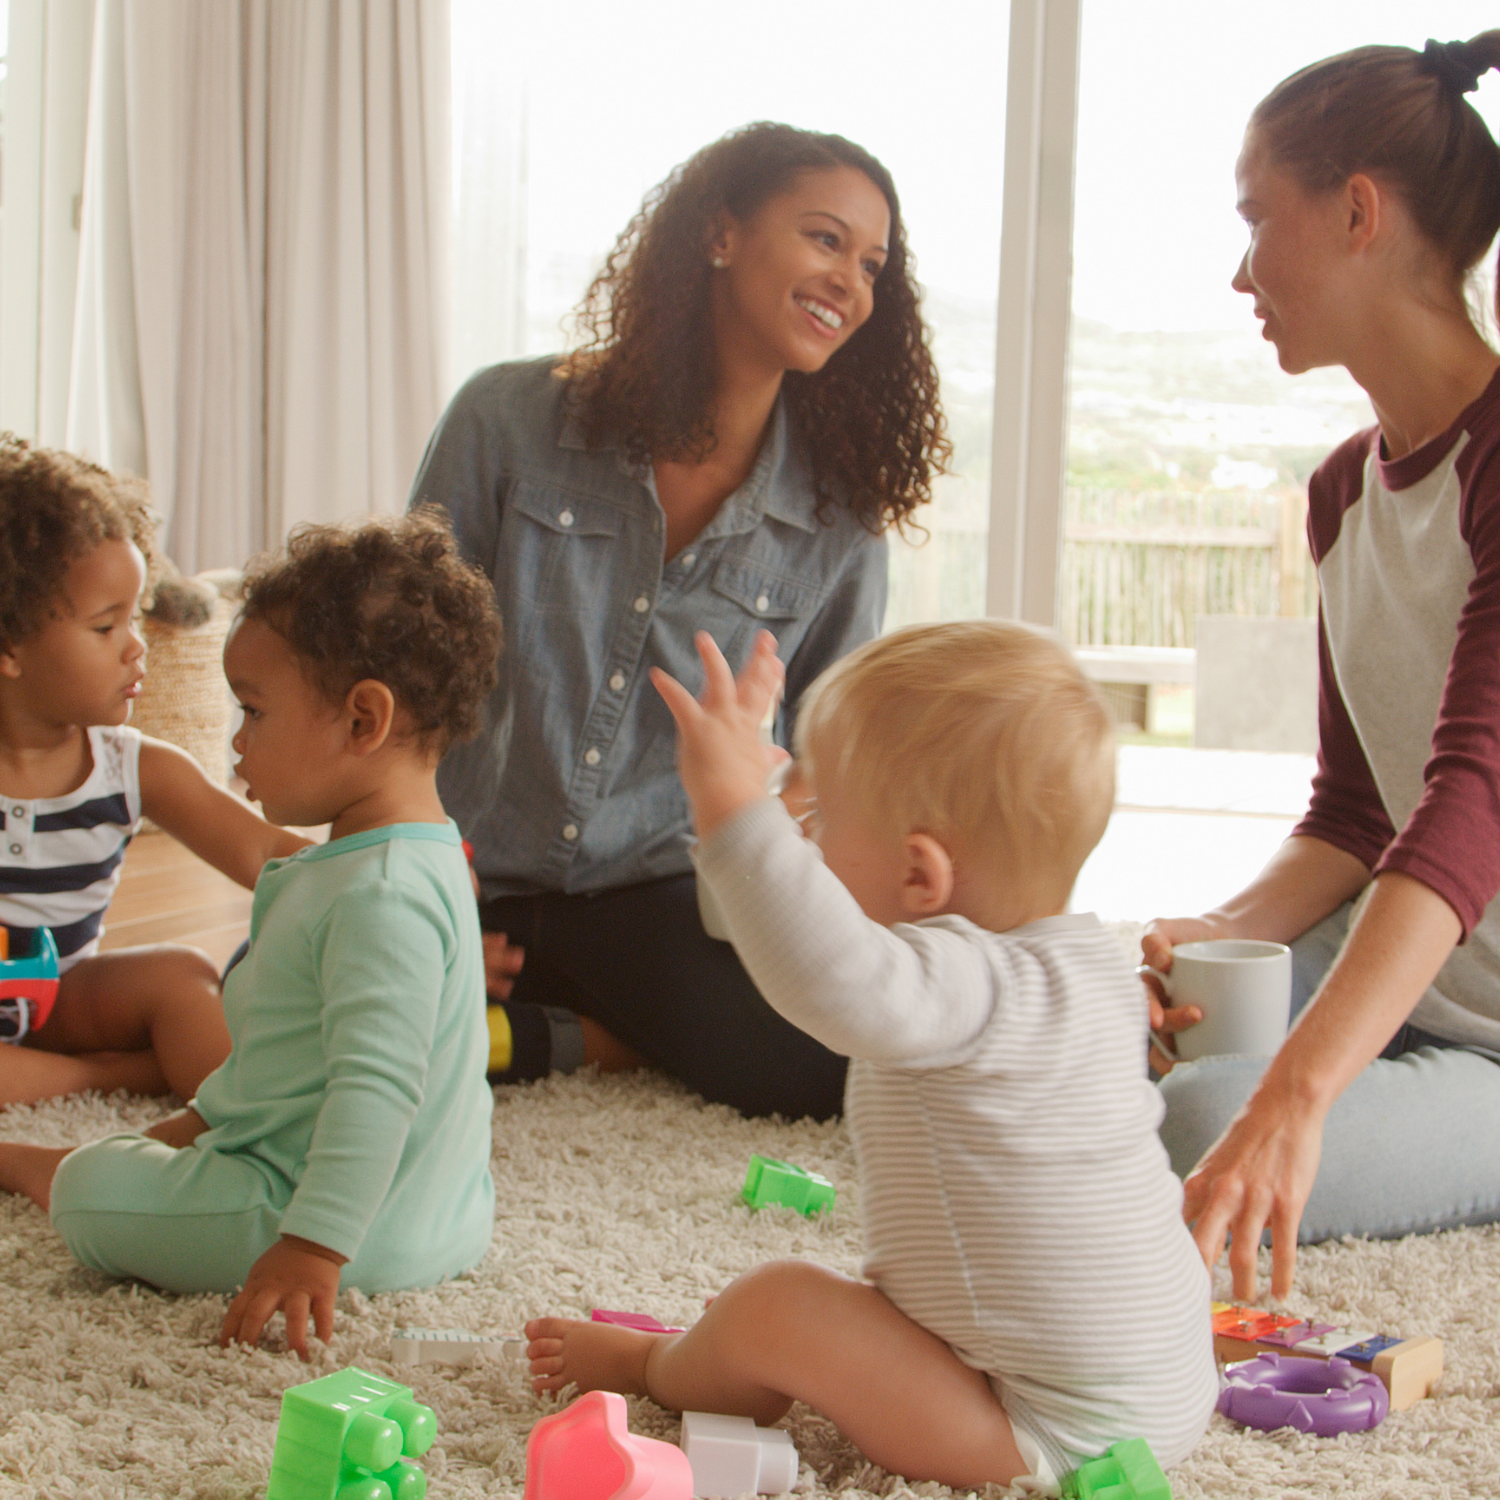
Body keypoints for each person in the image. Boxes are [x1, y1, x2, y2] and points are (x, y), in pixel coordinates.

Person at [526, 622, 1217, 1487]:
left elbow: (827, 971)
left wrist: (734, 811)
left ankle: (654, 1365)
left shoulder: (970, 986)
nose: (804, 841)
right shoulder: (1095, 969)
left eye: (820, 821)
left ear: (921, 876)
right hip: (1167, 1390)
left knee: (777, 1307)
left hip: (1043, 1431)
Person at [408, 122, 950, 1121]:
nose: (851, 282)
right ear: (720, 234)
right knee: (270, 990)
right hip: (465, 864)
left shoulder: (841, 515)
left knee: (828, 1064)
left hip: (655, 893)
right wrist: (417, 878)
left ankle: (538, 1034)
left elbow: (827, 754)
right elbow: (402, 669)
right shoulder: (506, 420)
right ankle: (541, 1012)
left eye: (873, 266)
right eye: (826, 239)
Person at [1143, 32, 1500, 1302]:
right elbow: (1356, 811)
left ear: (1357, 212)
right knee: (1094, 1041)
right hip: (1399, 965)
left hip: (1493, 1033)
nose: (1241, 270)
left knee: (1205, 1124)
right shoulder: (1346, 491)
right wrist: (1210, 938)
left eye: (1256, 220)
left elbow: (1470, 797)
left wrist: (1297, 1094)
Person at [0, 513, 501, 1360]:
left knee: (90, 1187)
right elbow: (293, 1059)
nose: (236, 742)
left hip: (348, 1230)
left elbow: (378, 1090)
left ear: (362, 721)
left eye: (254, 711)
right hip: (448, 1214)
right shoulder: (417, 855)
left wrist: (311, 1246)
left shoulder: (379, 893)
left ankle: (35, 1166)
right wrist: (201, 1122)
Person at [0, 437, 307, 1106]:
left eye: (134, 617)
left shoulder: (133, 768)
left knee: (183, 977)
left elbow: (266, 856)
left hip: (66, 1001)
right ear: (10, 646)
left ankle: (243, 1124)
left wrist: (395, 884)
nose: (136, 647)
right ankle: (106, 1078)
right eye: (105, 627)